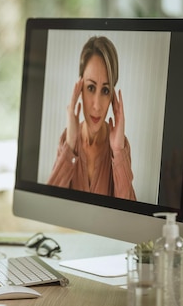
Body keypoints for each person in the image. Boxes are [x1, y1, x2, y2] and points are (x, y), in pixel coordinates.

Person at [47, 36, 136, 200]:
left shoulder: (121, 148)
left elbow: (129, 219)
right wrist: (71, 145)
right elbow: (47, 205)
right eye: (90, 87)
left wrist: (117, 150)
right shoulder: (67, 140)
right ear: (79, 89)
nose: (96, 106)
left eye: (105, 91)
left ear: (112, 97)